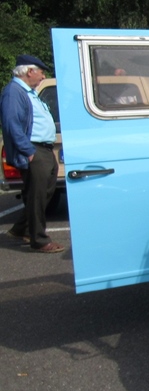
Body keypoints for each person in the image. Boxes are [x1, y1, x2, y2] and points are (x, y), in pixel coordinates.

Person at [1, 55, 65, 253]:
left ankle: (21, 229)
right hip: (34, 149)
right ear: (30, 71)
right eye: (41, 72)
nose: (43, 76)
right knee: (37, 196)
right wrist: (28, 151)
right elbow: (11, 124)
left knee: (44, 192)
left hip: (43, 148)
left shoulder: (28, 92)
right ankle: (39, 240)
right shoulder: (14, 92)